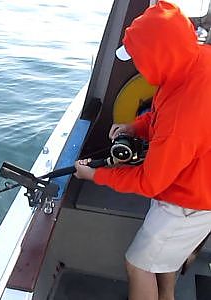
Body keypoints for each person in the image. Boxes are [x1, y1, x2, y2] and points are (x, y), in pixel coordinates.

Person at [74, 1, 211, 300]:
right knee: (163, 262)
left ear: (159, 56)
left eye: (140, 59)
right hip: (198, 183)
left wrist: (95, 175)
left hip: (189, 204)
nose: (136, 65)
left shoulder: (181, 120)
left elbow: (150, 182)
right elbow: (161, 112)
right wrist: (135, 127)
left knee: (137, 265)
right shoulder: (196, 62)